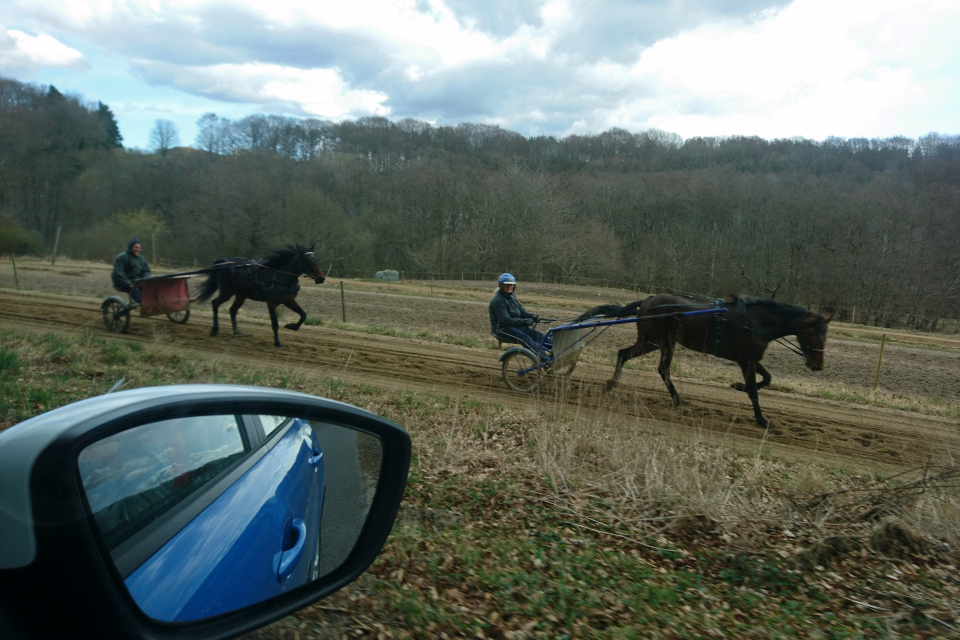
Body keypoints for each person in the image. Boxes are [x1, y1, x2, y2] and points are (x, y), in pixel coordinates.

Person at [488, 273, 551, 356]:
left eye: (512, 285)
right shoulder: (498, 301)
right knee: (525, 338)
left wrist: (533, 316)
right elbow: (506, 320)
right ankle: (543, 358)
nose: (510, 286)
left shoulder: (512, 297)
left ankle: (555, 353)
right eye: (507, 285)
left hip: (515, 326)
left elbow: (522, 313)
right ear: (501, 285)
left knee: (538, 335)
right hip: (501, 329)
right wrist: (525, 322)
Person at [111, 238, 151, 304]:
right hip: (122, 282)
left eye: (139, 248)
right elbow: (118, 273)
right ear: (130, 247)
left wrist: (145, 280)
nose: (137, 249)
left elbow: (146, 271)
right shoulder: (121, 257)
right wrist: (128, 283)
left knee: (150, 289)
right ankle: (143, 303)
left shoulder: (141, 259)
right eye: (135, 247)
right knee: (138, 297)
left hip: (136, 281)